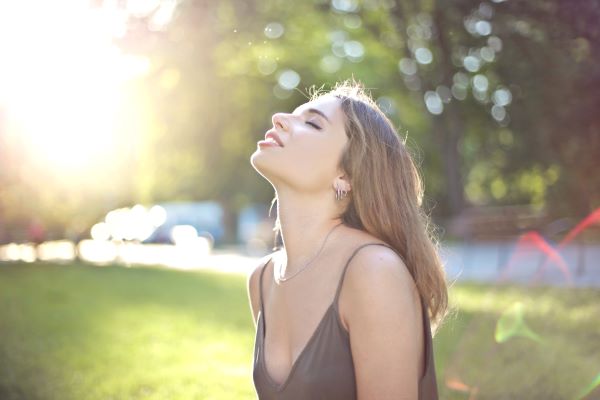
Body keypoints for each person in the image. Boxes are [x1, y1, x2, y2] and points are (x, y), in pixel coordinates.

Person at [247, 78, 449, 399]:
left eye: (312, 123)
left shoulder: (373, 271)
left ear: (346, 174)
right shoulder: (262, 279)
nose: (279, 118)